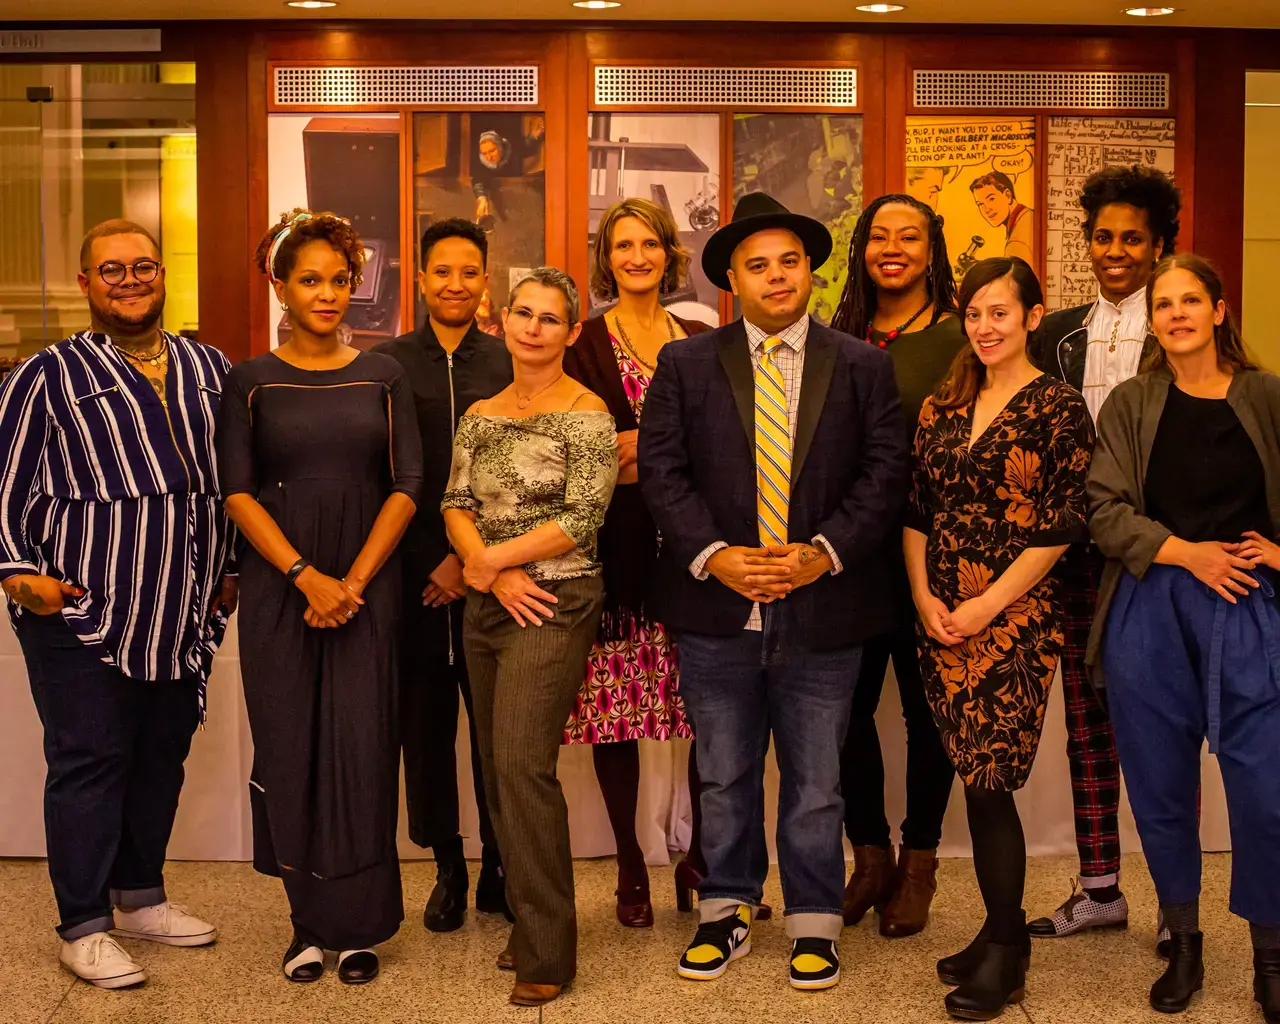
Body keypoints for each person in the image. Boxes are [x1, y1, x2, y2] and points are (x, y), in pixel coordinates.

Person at [639, 192, 909, 992]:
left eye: (789, 260)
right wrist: (716, 555)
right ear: (731, 278)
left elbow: (885, 473)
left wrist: (824, 554)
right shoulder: (686, 364)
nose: (777, 275)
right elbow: (662, 471)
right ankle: (725, 911)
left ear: (811, 269)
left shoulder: (861, 364)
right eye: (758, 264)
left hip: (825, 609)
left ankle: (814, 923)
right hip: (716, 611)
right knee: (722, 774)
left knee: (817, 779)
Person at [0, 219, 235, 988]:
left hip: (182, 610)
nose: (128, 279)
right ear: (85, 283)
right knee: (90, 759)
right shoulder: (46, 375)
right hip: (79, 608)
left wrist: (227, 571)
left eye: (142, 266)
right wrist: (15, 573)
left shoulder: (211, 367)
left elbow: (232, 481)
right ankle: (83, 924)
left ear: (163, 275)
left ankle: (139, 898)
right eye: (110, 270)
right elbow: (3, 482)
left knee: (160, 758)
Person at [217, 209, 423, 984]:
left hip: (369, 588)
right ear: (280, 285)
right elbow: (236, 492)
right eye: (311, 280)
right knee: (291, 747)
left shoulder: (384, 373)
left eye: (341, 280)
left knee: (362, 750)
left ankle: (363, 924)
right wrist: (307, 576)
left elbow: (405, 487)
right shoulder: (250, 381)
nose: (329, 294)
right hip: (281, 588)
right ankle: (305, 923)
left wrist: (354, 583)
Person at [1086, 253, 1280, 1021]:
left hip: (1248, 606)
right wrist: (1184, 552)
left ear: (1220, 308)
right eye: (1163, 304)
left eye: (1190, 299)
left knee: (1266, 791)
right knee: (1162, 790)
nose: (1176, 314)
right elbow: (1103, 512)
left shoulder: (1266, 397)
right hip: (1152, 604)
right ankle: (1185, 940)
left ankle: (1271, 954)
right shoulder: (1133, 402)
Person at [906, 257, 1094, 1020]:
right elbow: (916, 509)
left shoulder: (1057, 405)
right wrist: (924, 597)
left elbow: (1061, 524)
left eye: (1000, 313)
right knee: (970, 778)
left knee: (990, 782)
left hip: (1012, 619)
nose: (985, 327)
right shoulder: (944, 403)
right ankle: (997, 927)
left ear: (1032, 316)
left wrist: (988, 606)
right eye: (974, 314)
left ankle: (1008, 952)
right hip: (940, 618)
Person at [442, 267, 617, 1007]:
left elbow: (583, 517)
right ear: (502, 320)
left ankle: (548, 949)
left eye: (551, 318)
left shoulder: (588, 414)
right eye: (523, 313)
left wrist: (493, 563)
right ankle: (527, 919)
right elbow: (453, 499)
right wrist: (487, 570)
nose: (534, 327)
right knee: (493, 767)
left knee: (521, 765)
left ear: (572, 332)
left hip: (557, 598)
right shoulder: (480, 413)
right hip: (489, 598)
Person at [563, 196, 735, 928]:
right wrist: (642, 457)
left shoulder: (698, 336)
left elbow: (712, 447)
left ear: (671, 255)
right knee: (617, 715)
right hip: (619, 556)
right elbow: (584, 453)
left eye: (650, 245)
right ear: (608, 259)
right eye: (622, 245)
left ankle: (698, 857)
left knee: (699, 710)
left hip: (692, 553)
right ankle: (632, 862)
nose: (636, 257)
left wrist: (647, 454)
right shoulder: (583, 345)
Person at [1026, 164, 1183, 944]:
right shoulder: (1056, 332)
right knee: (1085, 725)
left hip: (1153, 557)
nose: (1114, 251)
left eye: (1131, 239)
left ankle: (1174, 905)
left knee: (1154, 725)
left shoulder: (1181, 327)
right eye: (1102, 237)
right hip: (1072, 556)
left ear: (1159, 248)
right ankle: (1099, 891)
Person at [829, 193, 964, 939]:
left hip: (932, 554)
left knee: (926, 716)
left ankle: (919, 864)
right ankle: (870, 858)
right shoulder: (838, 333)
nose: (892, 247)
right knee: (845, 711)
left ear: (931, 249)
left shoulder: (956, 338)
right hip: (849, 555)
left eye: (909, 236)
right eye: (879, 235)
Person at [374, 218, 513, 933]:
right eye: (442, 271)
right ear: (421, 279)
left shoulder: (509, 360)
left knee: (499, 729)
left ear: (486, 282)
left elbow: (527, 472)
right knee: (424, 734)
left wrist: (475, 558)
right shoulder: (391, 364)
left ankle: (499, 864)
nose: (455, 283)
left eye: (469, 272)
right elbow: (387, 472)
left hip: (498, 577)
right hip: (416, 580)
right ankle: (448, 866)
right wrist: (436, 555)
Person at [969, 171, 1033, 264]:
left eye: (991, 199)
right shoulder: (1027, 215)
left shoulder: (1016, 243)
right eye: (980, 204)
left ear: (1008, 196)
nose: (986, 209)